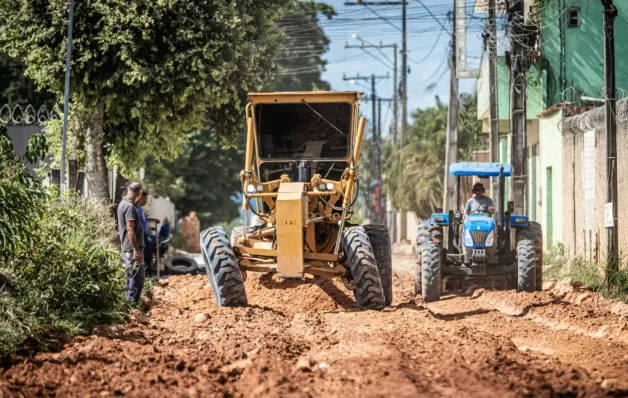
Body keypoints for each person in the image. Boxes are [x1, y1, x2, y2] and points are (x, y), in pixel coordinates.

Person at [117, 182, 145, 303]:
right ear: (138, 193)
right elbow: (130, 229)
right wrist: (136, 250)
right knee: (136, 277)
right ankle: (131, 305)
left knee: (131, 276)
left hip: (127, 247)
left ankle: (128, 304)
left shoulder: (123, 204)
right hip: (131, 248)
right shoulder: (129, 207)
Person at [135, 191, 154, 278]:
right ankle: (146, 277)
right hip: (140, 236)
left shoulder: (139, 208)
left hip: (144, 235)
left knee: (148, 256)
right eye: (146, 199)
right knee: (146, 256)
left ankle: (148, 275)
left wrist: (152, 220)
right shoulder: (136, 209)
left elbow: (143, 221)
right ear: (141, 198)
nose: (146, 201)